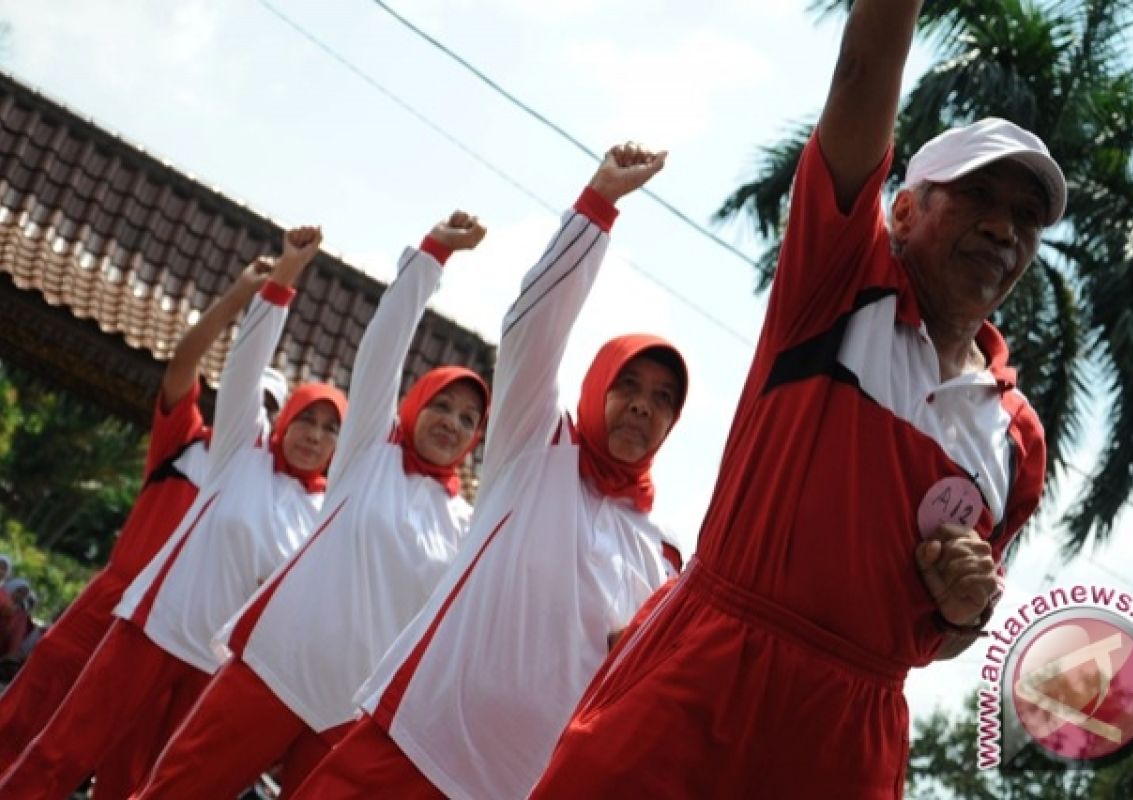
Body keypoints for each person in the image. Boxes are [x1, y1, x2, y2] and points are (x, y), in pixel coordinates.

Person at [531, 2, 1063, 796]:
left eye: (1026, 217)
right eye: (978, 197)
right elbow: (863, 72)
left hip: (847, 741)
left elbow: (941, 639)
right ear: (905, 209)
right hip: (705, 675)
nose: (1002, 229)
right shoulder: (840, 284)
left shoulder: (1017, 440)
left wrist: (967, 612)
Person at [290, 143, 686, 800]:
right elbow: (531, 328)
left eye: (664, 398)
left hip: (512, 786)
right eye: (629, 384)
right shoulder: (537, 446)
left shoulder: (663, 554)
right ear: (596, 390)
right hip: (413, 738)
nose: (644, 404)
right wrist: (597, 207)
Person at [135, 211, 491, 799]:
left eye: (467, 419)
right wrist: (433, 256)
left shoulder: (463, 524)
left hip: (344, 715)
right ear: (413, 405)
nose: (451, 423)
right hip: (274, 670)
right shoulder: (367, 455)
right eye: (442, 406)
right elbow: (383, 347)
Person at [0, 226, 348, 800]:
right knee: (46, 742)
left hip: (207, 665)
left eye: (329, 427)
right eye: (303, 418)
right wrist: (274, 283)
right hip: (140, 616)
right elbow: (212, 364)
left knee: (134, 784)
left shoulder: (316, 510)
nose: (310, 434)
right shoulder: (211, 449)